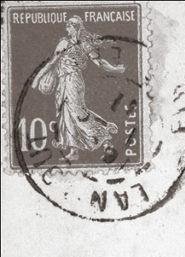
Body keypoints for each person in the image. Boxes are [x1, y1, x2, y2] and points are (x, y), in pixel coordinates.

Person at [31, 16, 125, 161]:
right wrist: (37, 79)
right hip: (63, 82)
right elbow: (52, 62)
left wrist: (114, 69)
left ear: (75, 27)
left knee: (76, 112)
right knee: (66, 113)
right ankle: (74, 150)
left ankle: (104, 136)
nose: (66, 29)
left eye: (68, 26)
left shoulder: (84, 44)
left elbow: (99, 62)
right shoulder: (64, 43)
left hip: (73, 81)